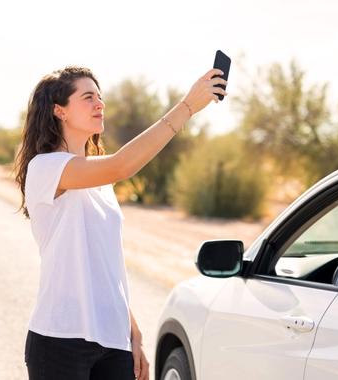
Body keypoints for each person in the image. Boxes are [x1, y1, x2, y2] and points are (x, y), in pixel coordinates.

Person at [14, 66, 226, 379]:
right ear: (59, 110)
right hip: (60, 339)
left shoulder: (99, 180)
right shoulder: (46, 168)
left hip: (112, 340)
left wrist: (133, 334)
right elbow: (121, 165)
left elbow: (106, 265)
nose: (100, 104)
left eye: (100, 97)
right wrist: (188, 106)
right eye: (88, 97)